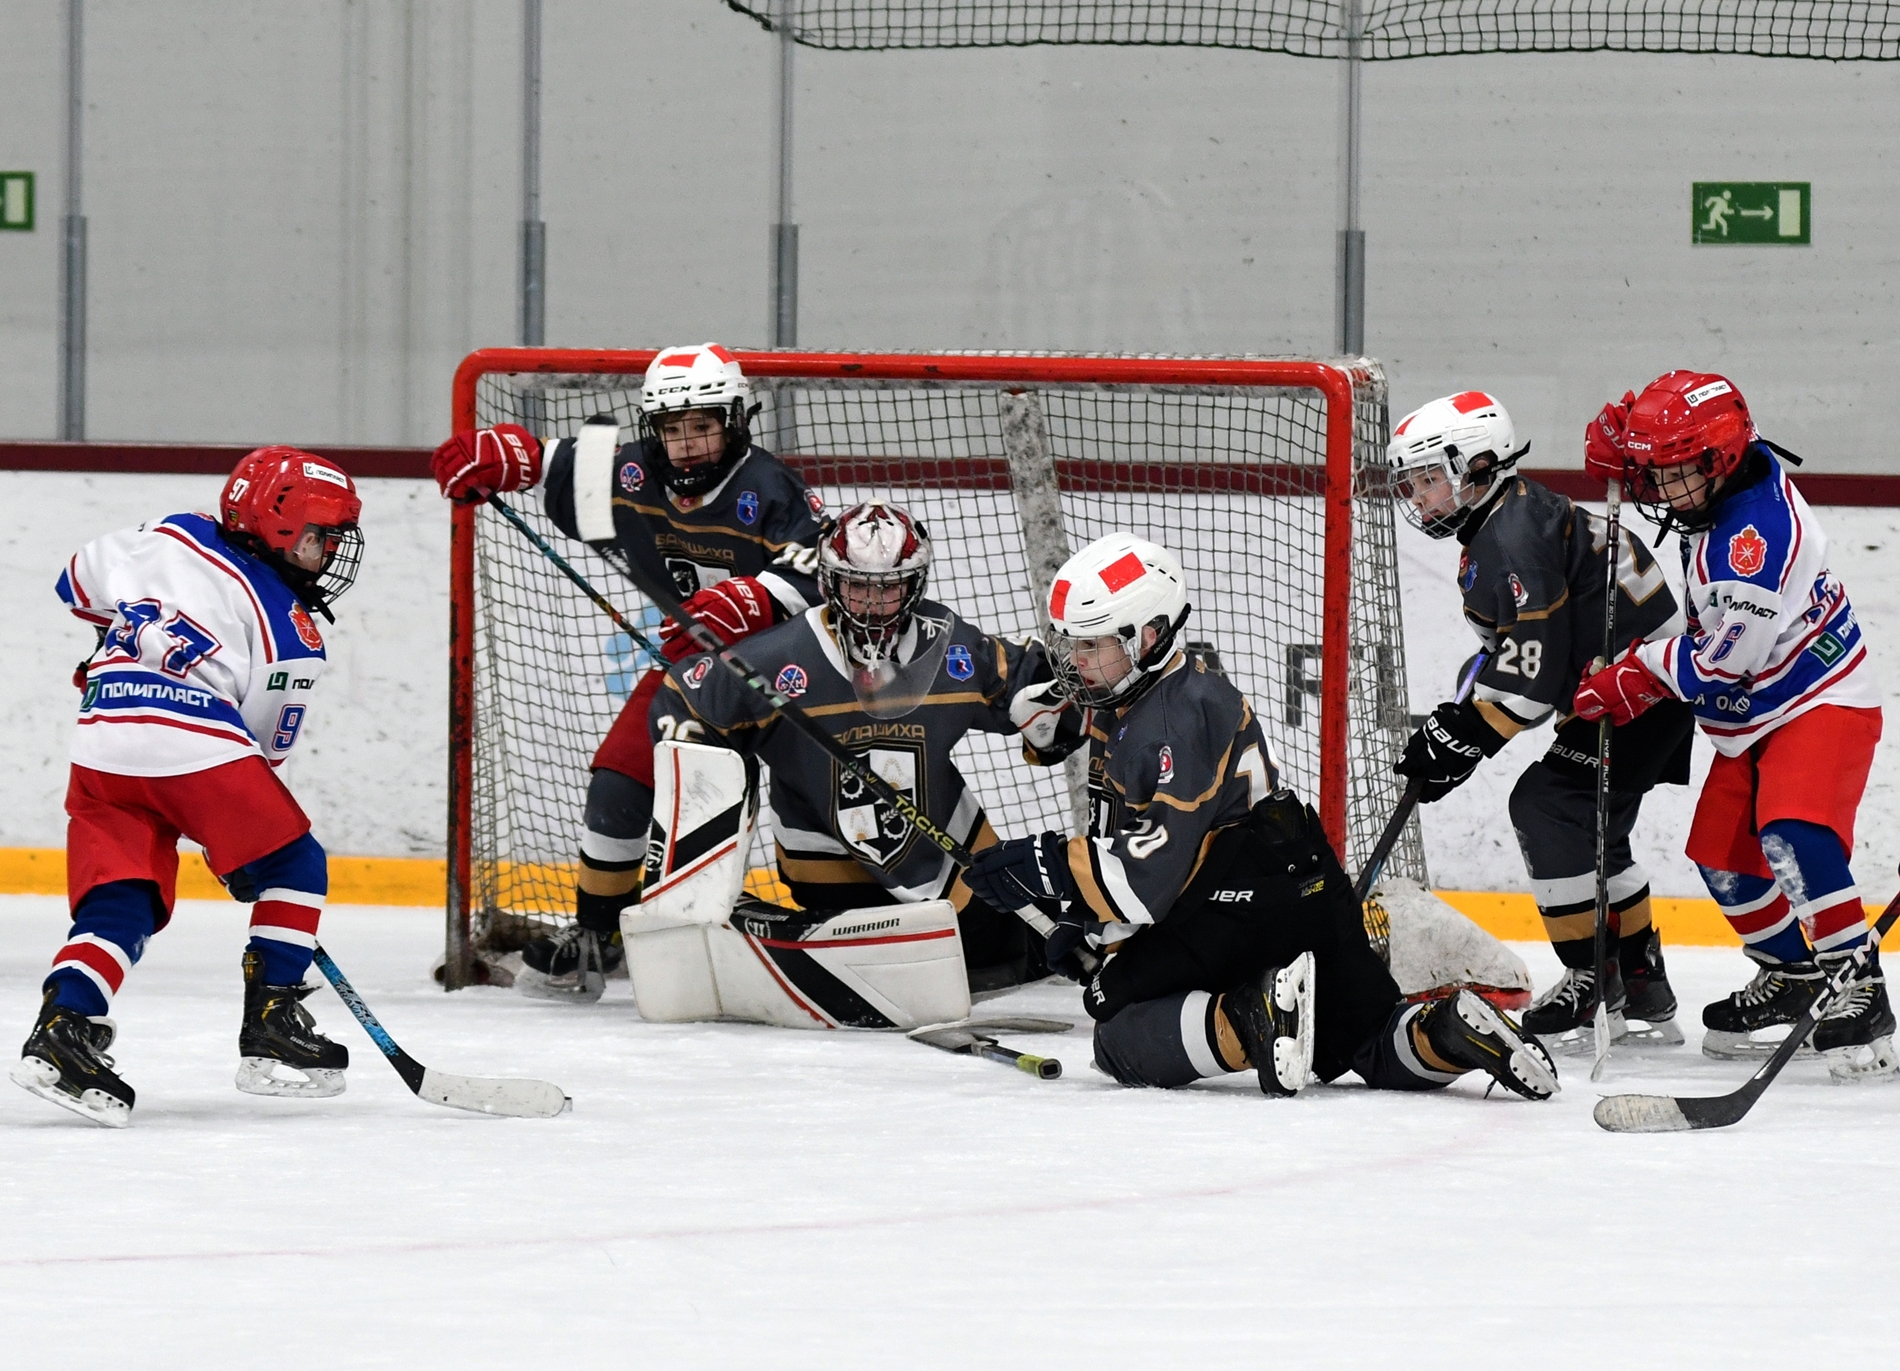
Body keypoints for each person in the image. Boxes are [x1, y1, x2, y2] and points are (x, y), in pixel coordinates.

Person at [962, 532, 1558, 1100]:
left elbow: (1148, 880)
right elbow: (1141, 846)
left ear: (1149, 636)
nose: (1077, 661)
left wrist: (1046, 868)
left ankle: (1253, 1014)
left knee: (1113, 1027)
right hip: (1303, 882)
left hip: (1237, 907)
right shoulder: (1154, 696)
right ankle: (1451, 1028)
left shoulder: (1171, 720)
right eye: (1073, 643)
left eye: (1093, 645)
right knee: (1366, 1041)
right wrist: (1085, 922)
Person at [431, 343, 827, 998]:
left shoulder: (770, 488)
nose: (688, 443)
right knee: (619, 776)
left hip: (790, 672)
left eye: (703, 425)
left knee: (809, 802)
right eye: (672, 428)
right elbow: (555, 461)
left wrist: (752, 599)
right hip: (698, 667)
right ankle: (597, 934)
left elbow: (816, 573)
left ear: (736, 420)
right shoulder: (638, 470)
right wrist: (509, 455)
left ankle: (832, 923)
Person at [13, 448, 366, 1127]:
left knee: (124, 897)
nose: (327, 554)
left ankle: (64, 1028)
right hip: (192, 739)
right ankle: (272, 1022)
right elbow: (262, 756)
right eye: (320, 536)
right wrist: (246, 860)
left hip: (102, 738)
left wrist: (111, 653)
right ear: (279, 528)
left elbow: (76, 582)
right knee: (298, 863)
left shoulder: (169, 530)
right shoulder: (290, 633)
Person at [1574, 371, 1890, 1077]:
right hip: (1759, 714)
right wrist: (1633, 439)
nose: (1657, 488)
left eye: (1672, 472)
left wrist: (1640, 671)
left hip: (1820, 698)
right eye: (1652, 472)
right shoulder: (1715, 489)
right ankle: (1796, 975)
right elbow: (1663, 438)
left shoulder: (1756, 535)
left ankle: (1858, 986)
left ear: (1716, 464)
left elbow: (1724, 662)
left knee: (1793, 830)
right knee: (1722, 856)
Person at [646, 499, 1077, 992]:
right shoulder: (781, 655)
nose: (871, 604)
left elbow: (1030, 678)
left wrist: (1052, 714)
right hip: (823, 850)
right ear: (829, 582)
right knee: (915, 957)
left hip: (940, 843)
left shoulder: (950, 644)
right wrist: (699, 755)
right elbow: (683, 695)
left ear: (915, 586)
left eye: (888, 589)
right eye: (856, 587)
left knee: (1001, 955)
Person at [1386, 390, 1695, 1048]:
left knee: (1546, 805)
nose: (1420, 499)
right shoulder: (1508, 518)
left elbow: (1533, 675)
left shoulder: (1512, 537)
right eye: (1411, 486)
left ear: (1479, 464)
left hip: (1641, 690)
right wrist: (1459, 722)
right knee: (1596, 829)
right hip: (1635, 686)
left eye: (1430, 481)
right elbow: (1516, 651)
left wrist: (1464, 737)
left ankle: (1594, 979)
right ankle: (1641, 981)